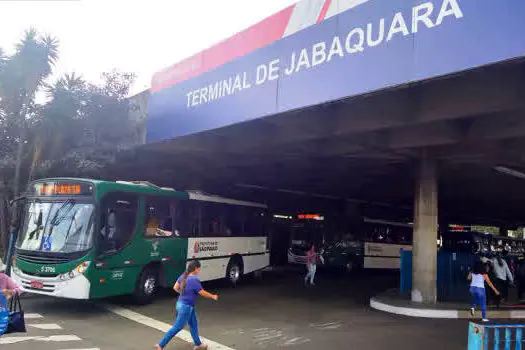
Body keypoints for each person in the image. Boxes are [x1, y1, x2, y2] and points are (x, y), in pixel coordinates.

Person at [156, 260, 218, 350]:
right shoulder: (194, 279)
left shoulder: (184, 275)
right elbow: (202, 292)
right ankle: (161, 345)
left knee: (193, 324)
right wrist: (212, 296)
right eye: (199, 269)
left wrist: (183, 293)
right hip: (186, 307)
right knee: (177, 327)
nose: (199, 271)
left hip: (182, 304)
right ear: (196, 269)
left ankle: (198, 344)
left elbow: (175, 287)